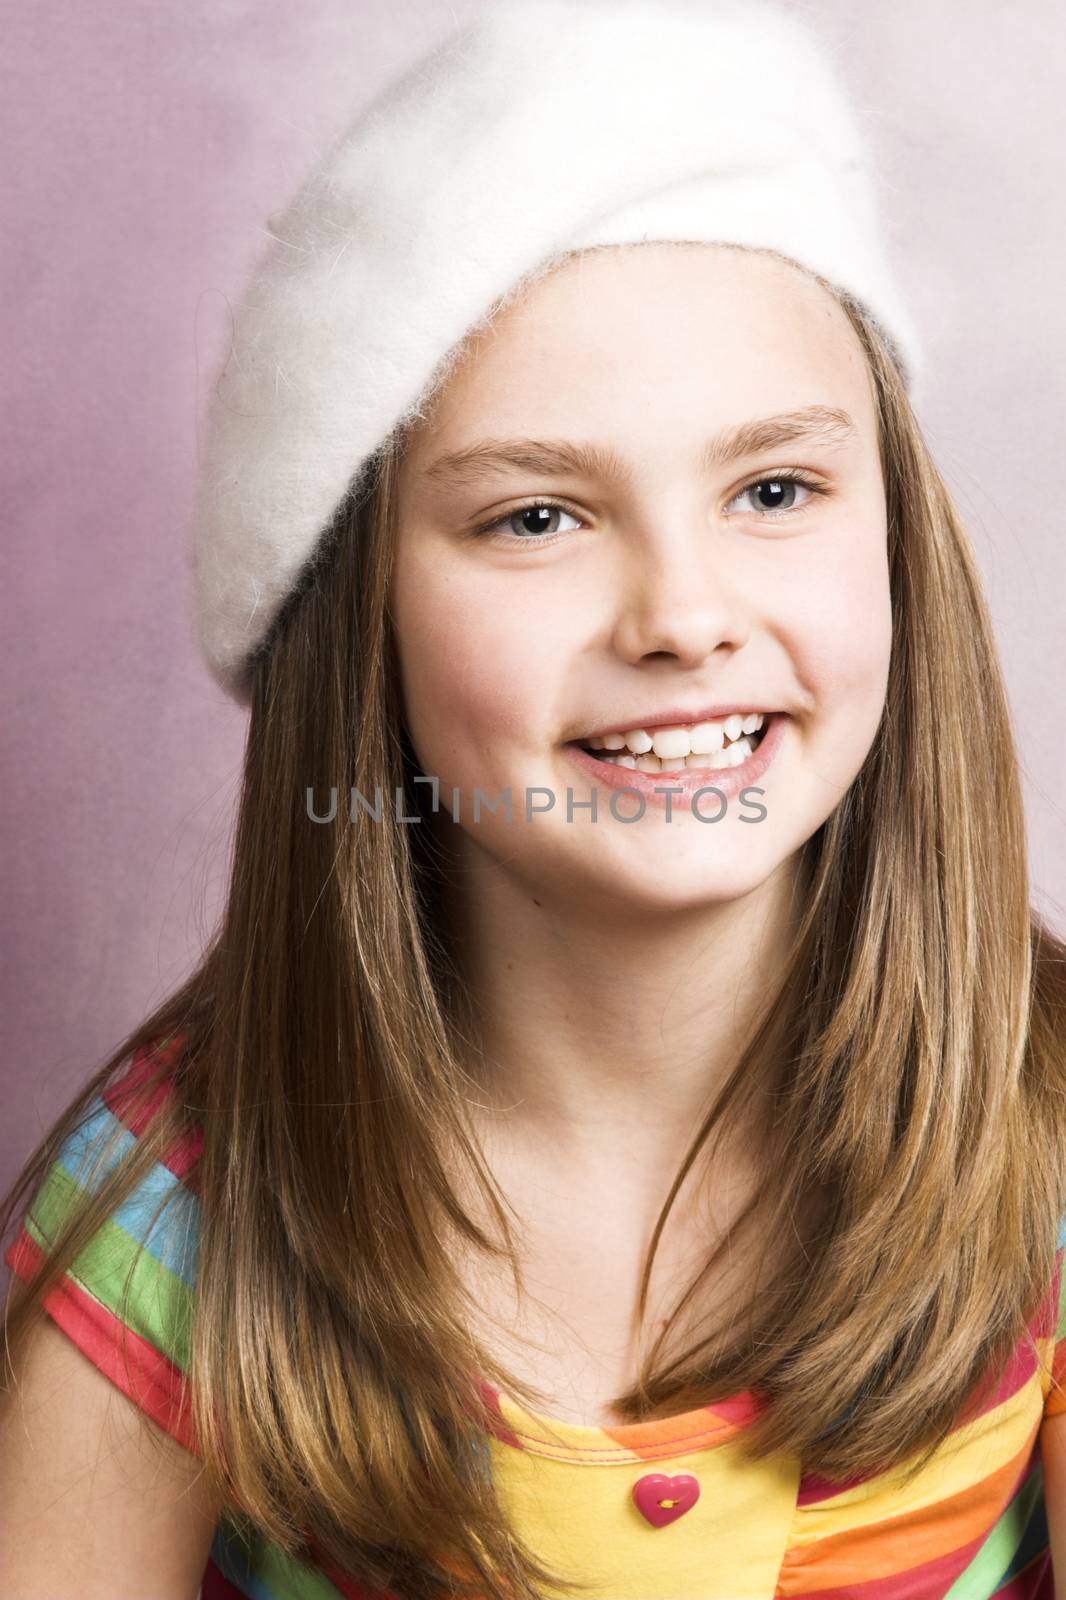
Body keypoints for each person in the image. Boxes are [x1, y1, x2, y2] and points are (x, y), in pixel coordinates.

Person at [3, 2, 1066, 1597]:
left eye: (773, 490)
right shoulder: (178, 1225)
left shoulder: (1036, 1127)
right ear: (362, 618)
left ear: (896, 536)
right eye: (537, 518)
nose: (682, 616)